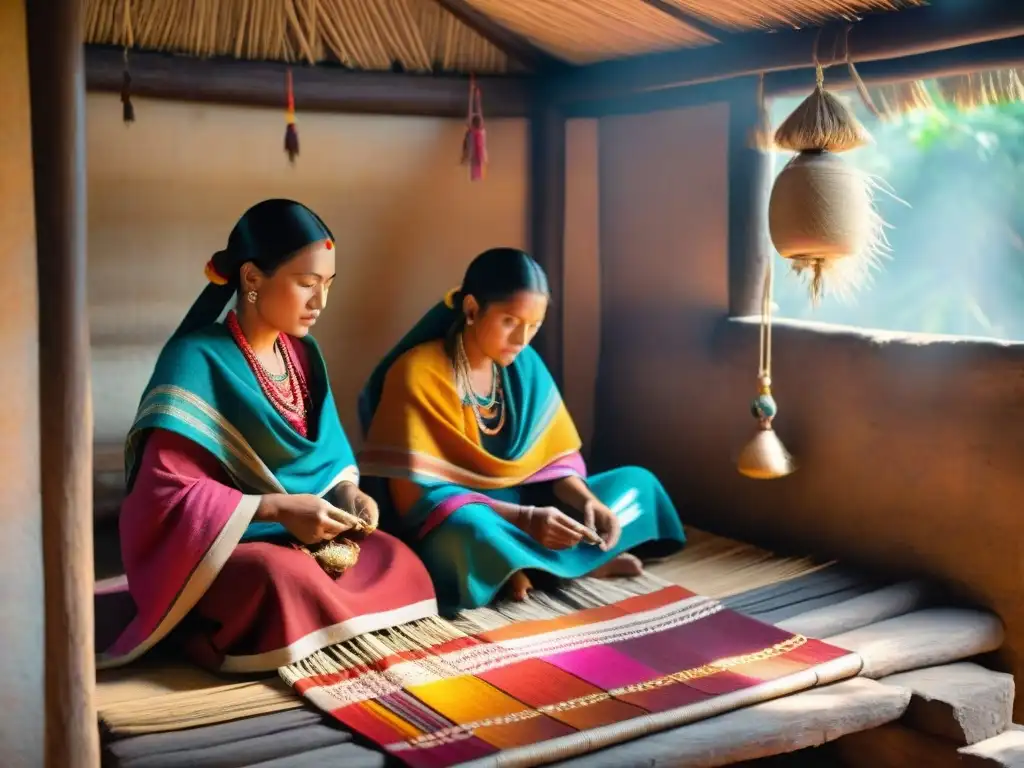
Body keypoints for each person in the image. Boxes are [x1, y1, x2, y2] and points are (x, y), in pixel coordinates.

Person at [96, 199, 437, 674]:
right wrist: (274, 508)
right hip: (227, 542)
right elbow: (163, 494)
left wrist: (348, 492)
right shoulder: (194, 357)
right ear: (252, 278)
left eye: (328, 286)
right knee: (274, 579)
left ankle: (315, 618)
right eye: (306, 284)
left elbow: (328, 452)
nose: (321, 303)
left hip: (305, 534)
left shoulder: (302, 354)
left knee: (398, 557)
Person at [358, 247, 686, 613]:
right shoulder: (416, 371)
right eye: (510, 322)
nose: (522, 340)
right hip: (468, 515)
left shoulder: (523, 364)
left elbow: (553, 464)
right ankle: (574, 563)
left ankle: (528, 566)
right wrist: (525, 519)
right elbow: (414, 501)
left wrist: (587, 502)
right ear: (471, 309)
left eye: (534, 326)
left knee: (636, 487)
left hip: (530, 501)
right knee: (471, 533)